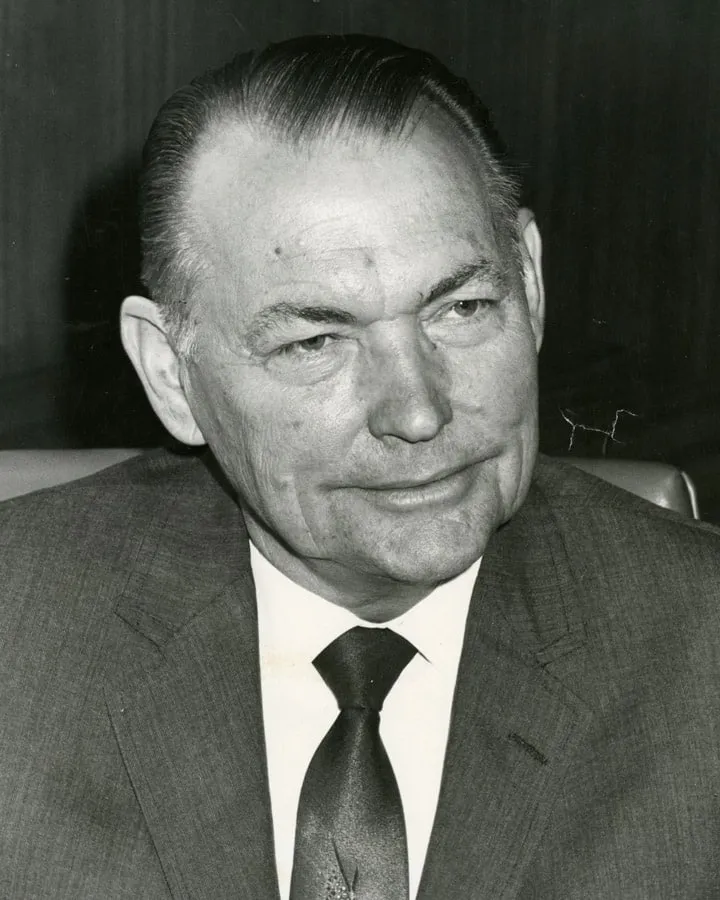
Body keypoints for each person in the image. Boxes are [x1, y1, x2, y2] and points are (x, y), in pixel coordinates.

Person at [1, 33, 719, 900]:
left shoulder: (699, 652)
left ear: (529, 286)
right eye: (315, 340)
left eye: (461, 305)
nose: (418, 412)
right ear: (170, 373)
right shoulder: (21, 639)